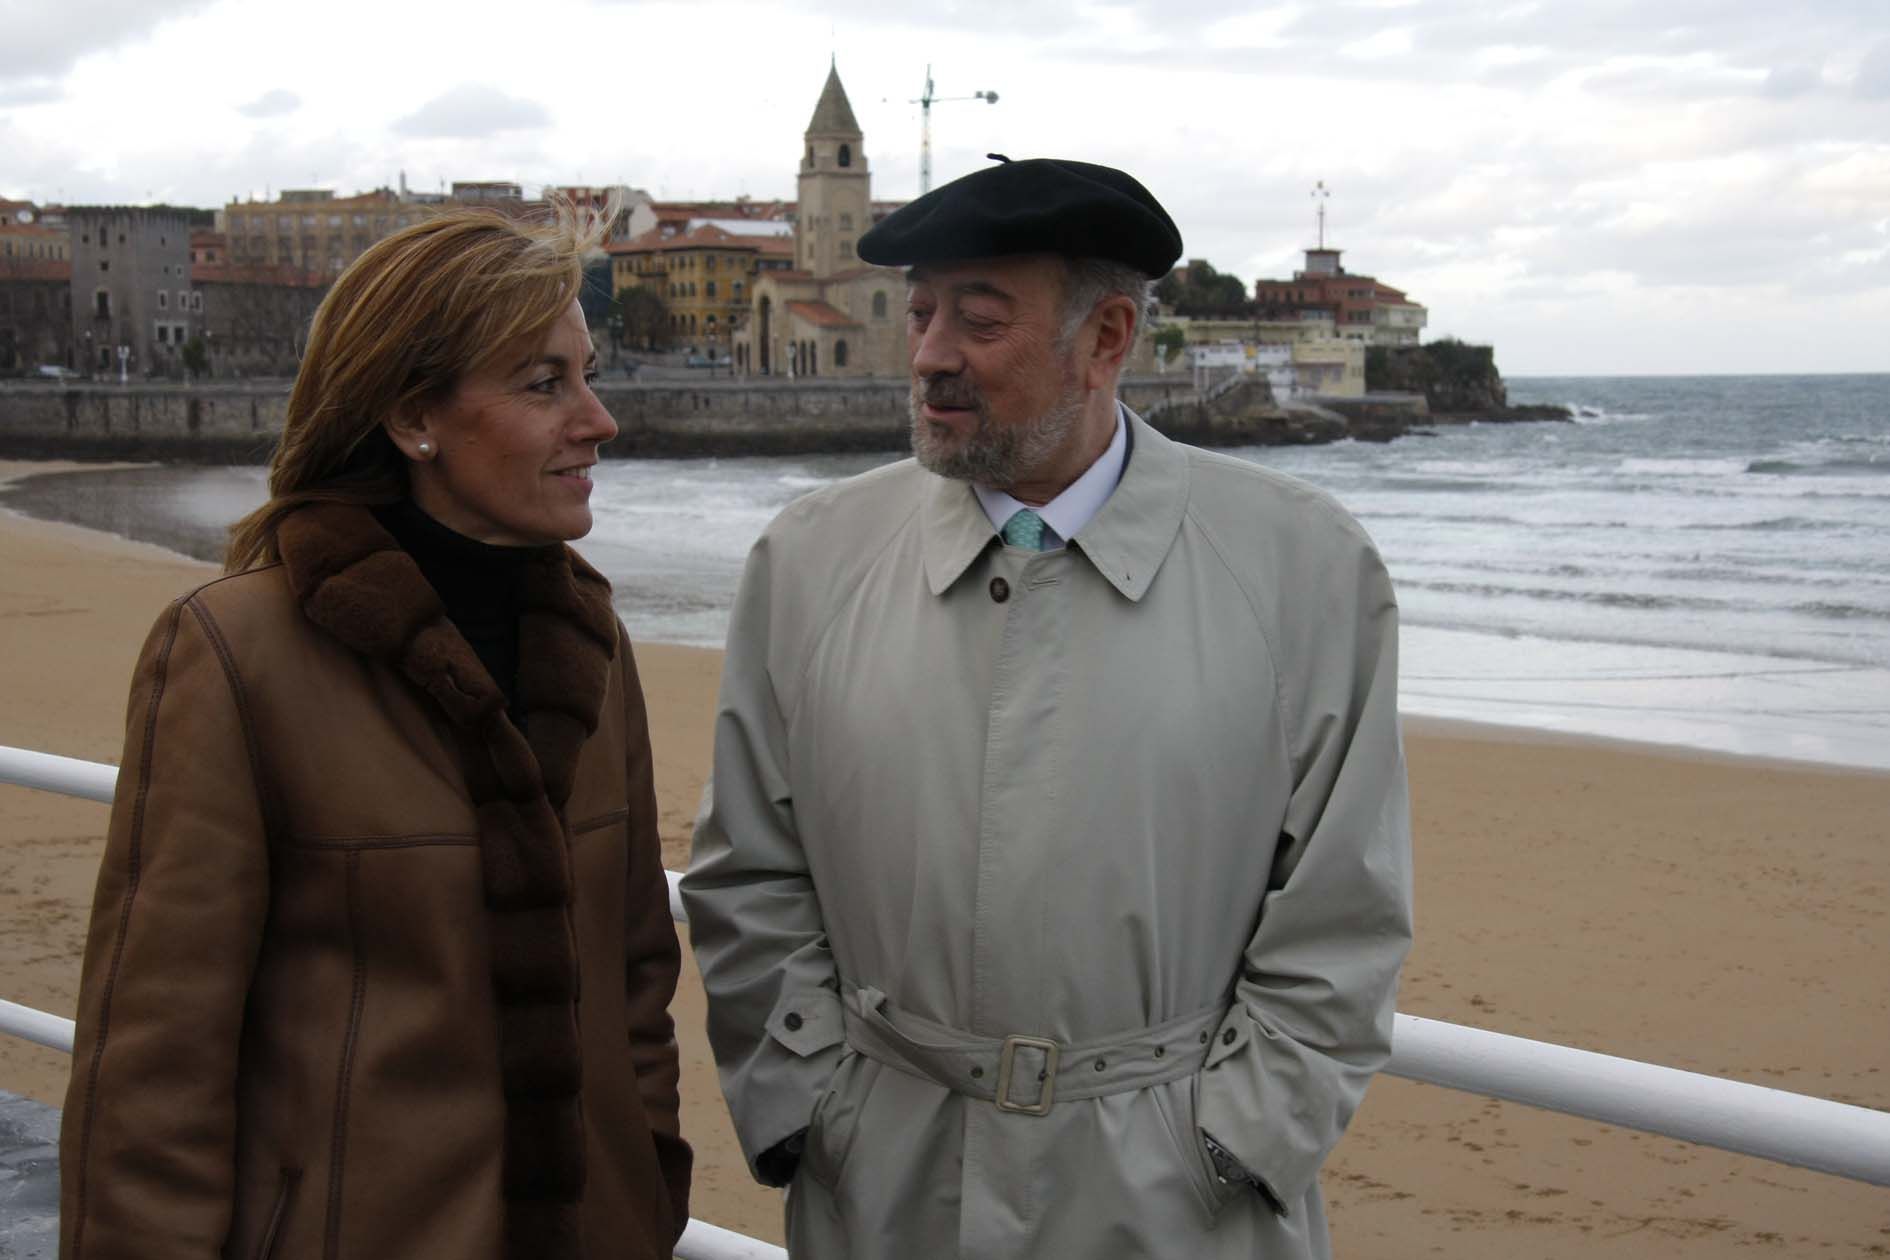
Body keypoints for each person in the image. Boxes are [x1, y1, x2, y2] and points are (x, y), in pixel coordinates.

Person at [683, 157, 1412, 1259]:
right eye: (921, 315)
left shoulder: (1305, 568)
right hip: (883, 1189)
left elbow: (1343, 915)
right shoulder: (808, 560)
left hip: (1181, 1211)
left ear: (1108, 338)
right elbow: (749, 873)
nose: (928, 356)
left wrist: (1235, 1145)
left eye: (977, 322)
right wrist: (810, 1106)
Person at [59, 205, 691, 1260]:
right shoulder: (237, 654)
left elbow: (636, 979)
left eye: (588, 374)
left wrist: (646, 1184)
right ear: (412, 418)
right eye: (545, 384)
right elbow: (154, 1063)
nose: (599, 420)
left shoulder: (592, 644)